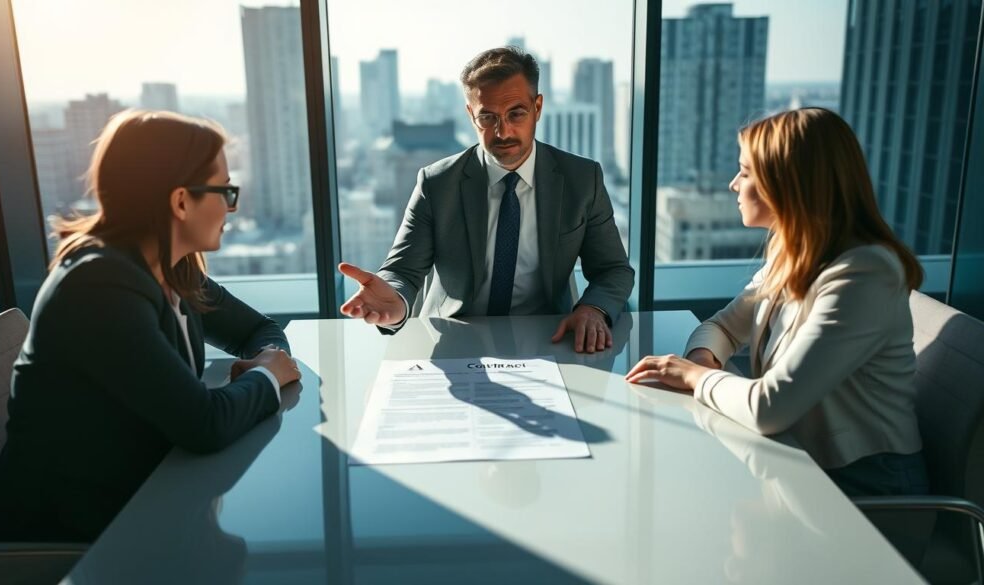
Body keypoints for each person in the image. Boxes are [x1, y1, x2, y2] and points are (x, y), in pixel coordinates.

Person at [0, 110, 301, 544]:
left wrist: (263, 361)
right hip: (60, 538)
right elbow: (204, 425)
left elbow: (258, 329)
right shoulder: (99, 286)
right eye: (225, 191)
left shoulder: (173, 268)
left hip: (137, 500)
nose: (231, 207)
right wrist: (266, 376)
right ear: (181, 201)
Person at [625, 107, 927, 496]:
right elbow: (720, 326)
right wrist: (702, 359)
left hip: (865, 490)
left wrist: (693, 376)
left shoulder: (864, 274)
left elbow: (770, 407)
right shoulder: (793, 257)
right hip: (801, 466)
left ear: (789, 184)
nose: (734, 184)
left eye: (746, 172)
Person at [337, 46, 634, 354]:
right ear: (470, 115)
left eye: (516, 114)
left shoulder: (582, 179)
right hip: (451, 338)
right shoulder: (437, 183)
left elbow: (613, 269)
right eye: (487, 117)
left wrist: (593, 308)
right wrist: (395, 302)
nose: (502, 131)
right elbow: (403, 270)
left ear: (538, 107)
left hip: (549, 338)